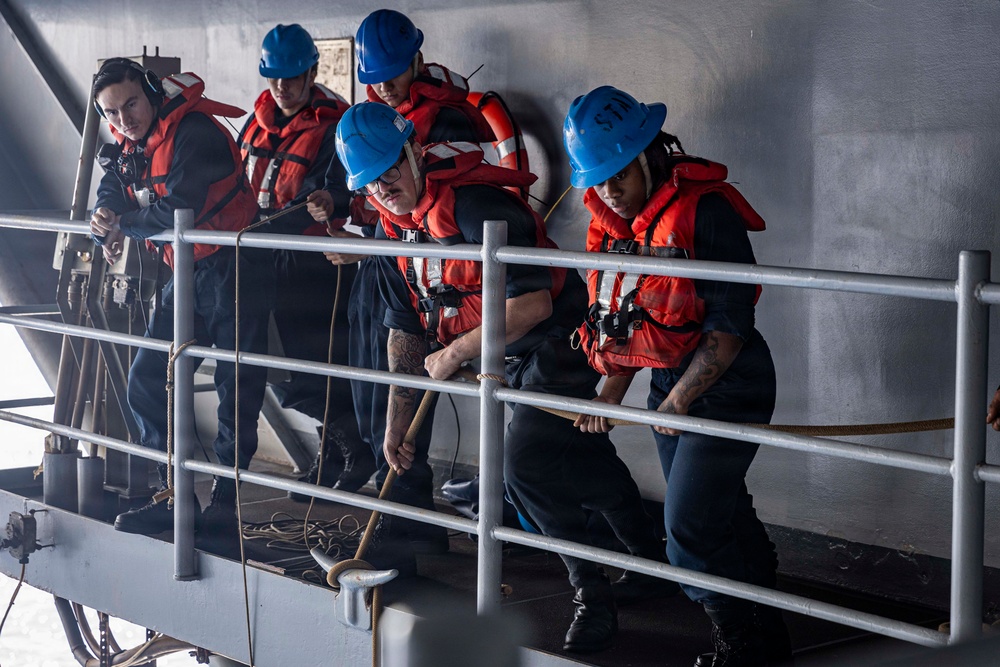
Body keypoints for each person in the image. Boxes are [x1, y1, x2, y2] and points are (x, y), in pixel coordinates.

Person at [335, 101, 673, 654]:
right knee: (581, 457)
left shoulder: (476, 205)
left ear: (414, 152)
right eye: (369, 182)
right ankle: (651, 562)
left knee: (524, 466)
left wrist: (455, 353)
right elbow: (406, 333)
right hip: (511, 357)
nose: (383, 188)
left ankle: (592, 595)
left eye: (390, 170)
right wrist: (398, 423)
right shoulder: (394, 232)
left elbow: (534, 304)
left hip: (561, 342)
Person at [564, 86, 791, 666]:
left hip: (730, 384)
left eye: (619, 174)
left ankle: (740, 644)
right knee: (724, 513)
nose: (610, 192)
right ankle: (767, 636)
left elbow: (729, 325)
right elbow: (630, 324)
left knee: (688, 531)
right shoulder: (623, 224)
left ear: (648, 156)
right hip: (670, 384)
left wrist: (680, 400)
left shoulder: (706, 212)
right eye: (600, 181)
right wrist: (610, 396)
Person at [307, 9, 498, 552]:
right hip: (383, 271)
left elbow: (431, 211)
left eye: (393, 73)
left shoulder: (449, 121)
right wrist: (337, 207)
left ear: (417, 58)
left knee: (402, 397)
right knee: (373, 394)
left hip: (428, 278)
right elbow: (374, 197)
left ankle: (407, 523)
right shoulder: (372, 119)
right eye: (376, 77)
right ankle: (408, 519)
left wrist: (367, 246)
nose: (386, 86)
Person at [89, 58, 273, 535]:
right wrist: (104, 215)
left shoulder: (195, 132)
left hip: (235, 267)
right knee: (148, 379)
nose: (124, 119)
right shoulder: (132, 144)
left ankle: (225, 507)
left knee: (236, 389)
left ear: (151, 92)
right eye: (112, 113)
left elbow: (179, 209)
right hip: (187, 271)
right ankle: (174, 498)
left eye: (131, 104)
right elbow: (114, 185)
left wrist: (123, 225)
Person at [240, 23, 375, 498]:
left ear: (312, 73)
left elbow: (328, 194)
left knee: (317, 363)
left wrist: (251, 234)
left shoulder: (335, 125)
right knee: (285, 365)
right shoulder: (255, 121)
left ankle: (350, 453)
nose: (282, 86)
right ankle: (339, 453)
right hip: (261, 259)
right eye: (274, 76)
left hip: (315, 265)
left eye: (292, 76)